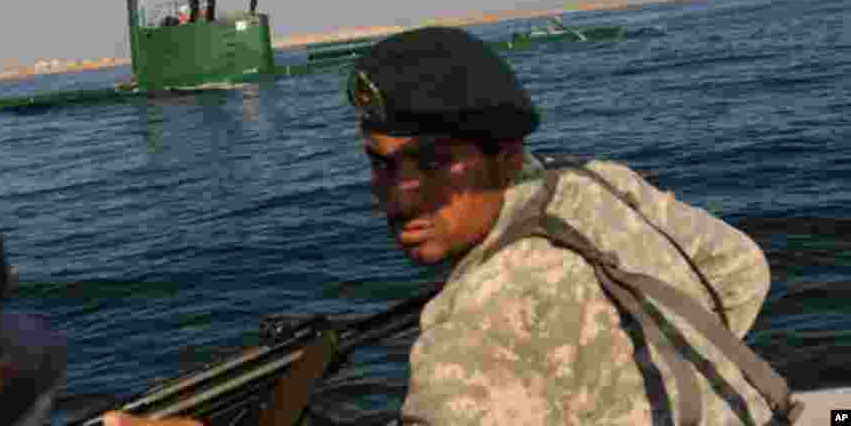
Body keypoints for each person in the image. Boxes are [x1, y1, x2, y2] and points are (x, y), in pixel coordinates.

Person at [104, 26, 799, 426]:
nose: (401, 194)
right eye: (381, 164)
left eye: (434, 163)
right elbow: (742, 272)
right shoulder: (599, 185)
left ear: (506, 156)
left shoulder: (475, 319)